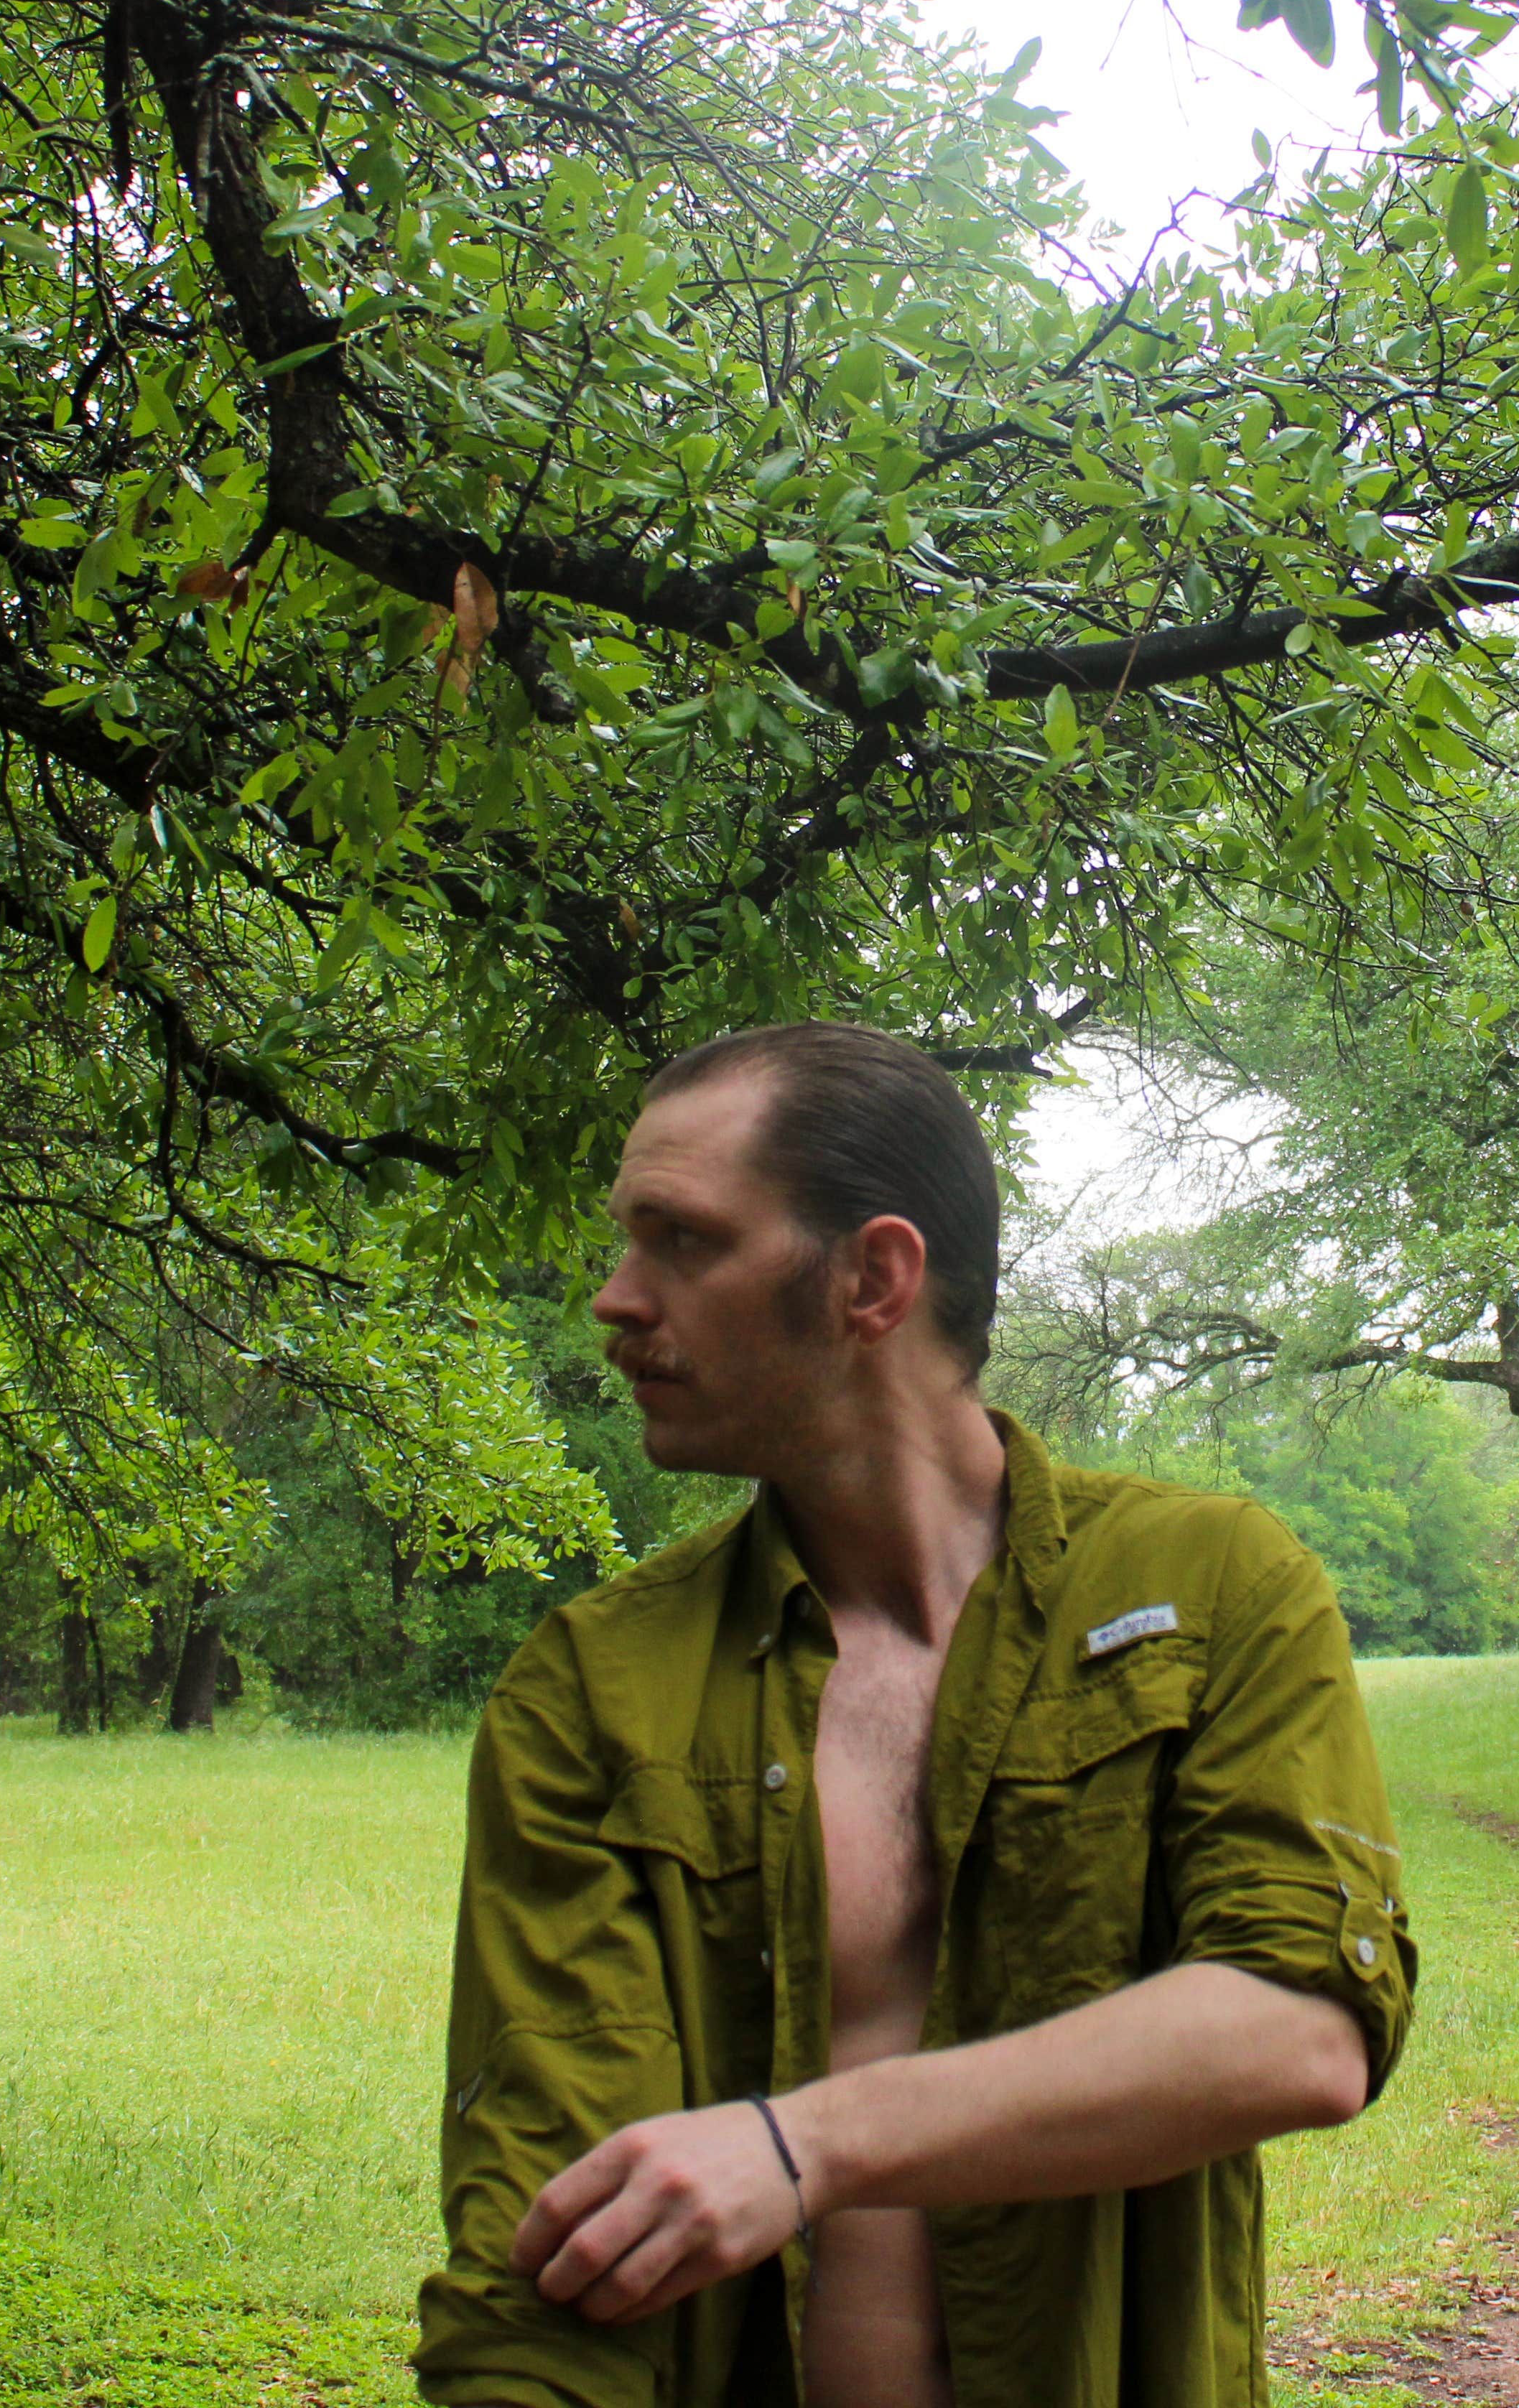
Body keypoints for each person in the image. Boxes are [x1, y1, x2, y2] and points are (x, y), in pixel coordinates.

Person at [414, 1022, 1416, 2408]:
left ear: (874, 1276)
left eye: (682, 1241)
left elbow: (1299, 2028)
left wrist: (804, 2146)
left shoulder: (1215, 1590)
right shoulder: (594, 1689)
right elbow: (554, 2237)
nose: (615, 1298)